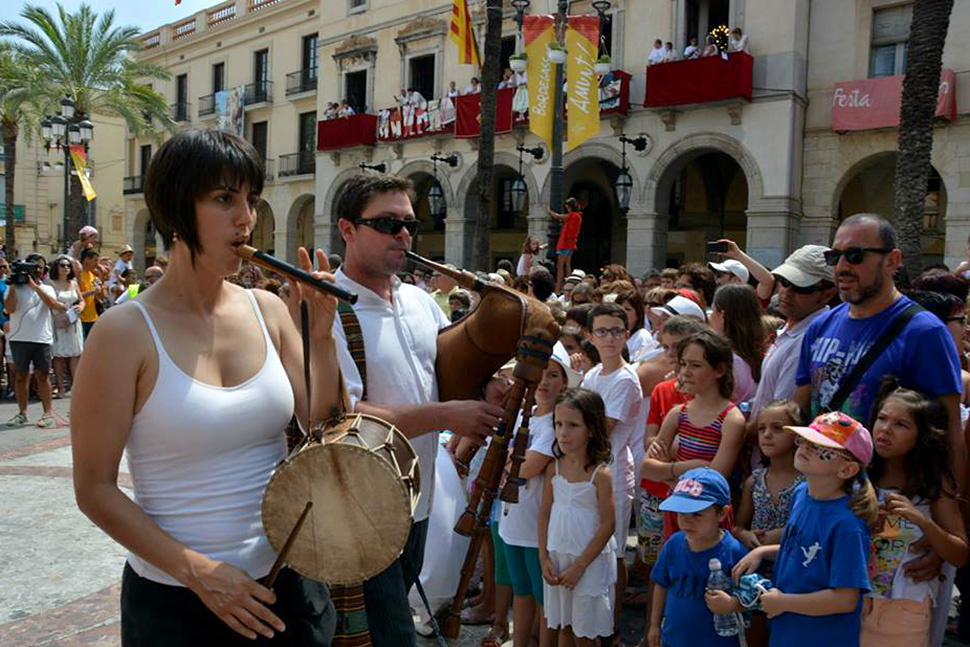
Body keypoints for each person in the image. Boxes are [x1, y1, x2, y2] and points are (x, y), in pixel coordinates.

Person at [71, 130, 348, 645]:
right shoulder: (123, 333)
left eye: (251, 200)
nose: (246, 217)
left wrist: (321, 336)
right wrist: (198, 572)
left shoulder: (267, 310)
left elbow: (322, 427)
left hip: (288, 583)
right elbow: (94, 489)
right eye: (224, 199)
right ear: (177, 212)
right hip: (178, 603)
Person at [330, 173, 502, 646]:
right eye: (388, 223)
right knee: (391, 633)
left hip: (420, 497)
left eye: (409, 223)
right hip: (366, 504)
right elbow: (345, 415)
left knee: (394, 614)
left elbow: (450, 374)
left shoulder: (421, 302)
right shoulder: (330, 309)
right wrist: (447, 416)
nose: (404, 234)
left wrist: (489, 384)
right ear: (348, 229)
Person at [793, 213, 965, 482]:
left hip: (887, 504)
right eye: (834, 256)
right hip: (822, 494)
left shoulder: (924, 332)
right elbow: (801, 410)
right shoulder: (819, 327)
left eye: (855, 255)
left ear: (892, 261)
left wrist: (955, 509)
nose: (841, 266)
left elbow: (950, 432)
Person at [733, 412, 879, 647]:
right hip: (787, 630)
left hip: (821, 637)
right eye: (805, 440)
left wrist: (784, 602)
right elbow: (806, 550)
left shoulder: (848, 525)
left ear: (847, 469)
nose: (805, 448)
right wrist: (765, 551)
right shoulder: (801, 494)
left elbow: (845, 599)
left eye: (819, 446)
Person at [863, 382, 969, 647]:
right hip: (853, 599)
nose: (885, 429)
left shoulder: (933, 485)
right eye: (882, 418)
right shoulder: (856, 474)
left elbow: (960, 553)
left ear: (921, 435)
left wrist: (922, 521)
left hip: (904, 607)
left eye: (901, 424)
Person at [500, 345, 581, 647]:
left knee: (543, 597)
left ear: (564, 382)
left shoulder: (554, 425)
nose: (545, 382)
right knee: (521, 590)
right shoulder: (528, 416)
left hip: (537, 527)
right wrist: (511, 459)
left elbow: (526, 468)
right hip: (512, 520)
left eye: (554, 375)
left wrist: (508, 458)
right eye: (540, 375)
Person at [642, 331, 745, 538]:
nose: (685, 372)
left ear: (720, 370)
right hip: (677, 510)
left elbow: (713, 481)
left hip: (707, 517)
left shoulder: (731, 419)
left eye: (695, 365)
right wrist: (687, 467)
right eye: (683, 364)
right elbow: (646, 469)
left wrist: (669, 475)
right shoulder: (678, 413)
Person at [581, 303, 644, 635]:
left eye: (616, 331)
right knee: (597, 548)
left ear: (626, 335)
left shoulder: (625, 378)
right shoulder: (594, 374)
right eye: (602, 331)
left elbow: (599, 428)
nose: (609, 338)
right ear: (590, 336)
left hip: (615, 473)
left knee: (615, 552)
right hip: (593, 472)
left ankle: (613, 627)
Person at [539, 388, 617, 646]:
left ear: (592, 429)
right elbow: (544, 513)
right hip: (558, 557)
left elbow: (608, 525)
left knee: (584, 633)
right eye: (559, 424)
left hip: (588, 562)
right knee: (565, 625)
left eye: (573, 425)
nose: (563, 432)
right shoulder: (554, 468)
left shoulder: (601, 474)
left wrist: (580, 566)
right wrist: (543, 557)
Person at [648, 468, 748, 647]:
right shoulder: (673, 544)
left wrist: (733, 604)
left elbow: (754, 600)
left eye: (697, 514)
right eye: (681, 513)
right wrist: (654, 625)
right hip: (673, 639)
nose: (687, 521)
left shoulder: (736, 553)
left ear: (722, 513)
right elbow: (661, 584)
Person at [748, 246, 836, 420]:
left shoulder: (807, 339)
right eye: (784, 282)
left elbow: (781, 417)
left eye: (801, 287)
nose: (786, 292)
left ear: (827, 294)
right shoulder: (790, 329)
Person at [733, 400, 804, 561]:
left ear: (797, 434)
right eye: (761, 428)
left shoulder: (809, 482)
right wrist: (745, 535)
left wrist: (782, 534)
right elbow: (738, 527)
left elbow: (815, 528)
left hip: (795, 567)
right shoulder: (754, 481)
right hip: (756, 570)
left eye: (777, 428)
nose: (767, 434)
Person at [4, 254, 66, 428]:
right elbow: (9, 308)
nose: (37, 269)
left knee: (43, 375)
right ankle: (22, 413)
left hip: (42, 339)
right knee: (21, 376)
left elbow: (53, 304)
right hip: (19, 338)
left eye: (39, 267)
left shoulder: (47, 288)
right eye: (33, 266)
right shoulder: (14, 287)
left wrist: (34, 286)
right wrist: (15, 286)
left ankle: (47, 413)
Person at [709, 285, 764, 403]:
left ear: (722, 314)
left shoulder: (727, 360)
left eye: (712, 311)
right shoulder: (761, 353)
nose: (709, 317)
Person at [49, 255, 84, 399]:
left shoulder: (74, 284)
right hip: (57, 320)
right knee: (58, 356)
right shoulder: (51, 284)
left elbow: (81, 300)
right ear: (56, 267)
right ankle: (61, 387)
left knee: (75, 355)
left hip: (73, 321)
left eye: (68, 266)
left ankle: (76, 387)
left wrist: (81, 307)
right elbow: (49, 301)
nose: (66, 268)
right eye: (62, 265)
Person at [615, 288, 659, 363]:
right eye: (618, 308)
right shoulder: (613, 335)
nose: (621, 312)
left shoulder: (642, 336)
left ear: (638, 314)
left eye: (627, 309)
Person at [549, 198, 583, 294]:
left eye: (567, 207)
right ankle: (569, 283)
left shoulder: (572, 215)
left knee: (560, 266)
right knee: (568, 265)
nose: (567, 209)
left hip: (564, 243)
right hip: (571, 244)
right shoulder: (578, 216)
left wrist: (548, 210)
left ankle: (558, 288)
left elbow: (557, 216)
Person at [78, 248, 102, 339]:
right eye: (95, 260)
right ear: (86, 259)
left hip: (93, 317)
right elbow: (76, 295)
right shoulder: (79, 275)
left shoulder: (92, 275)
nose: (97, 264)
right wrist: (91, 292)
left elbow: (99, 298)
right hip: (82, 319)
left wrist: (100, 289)